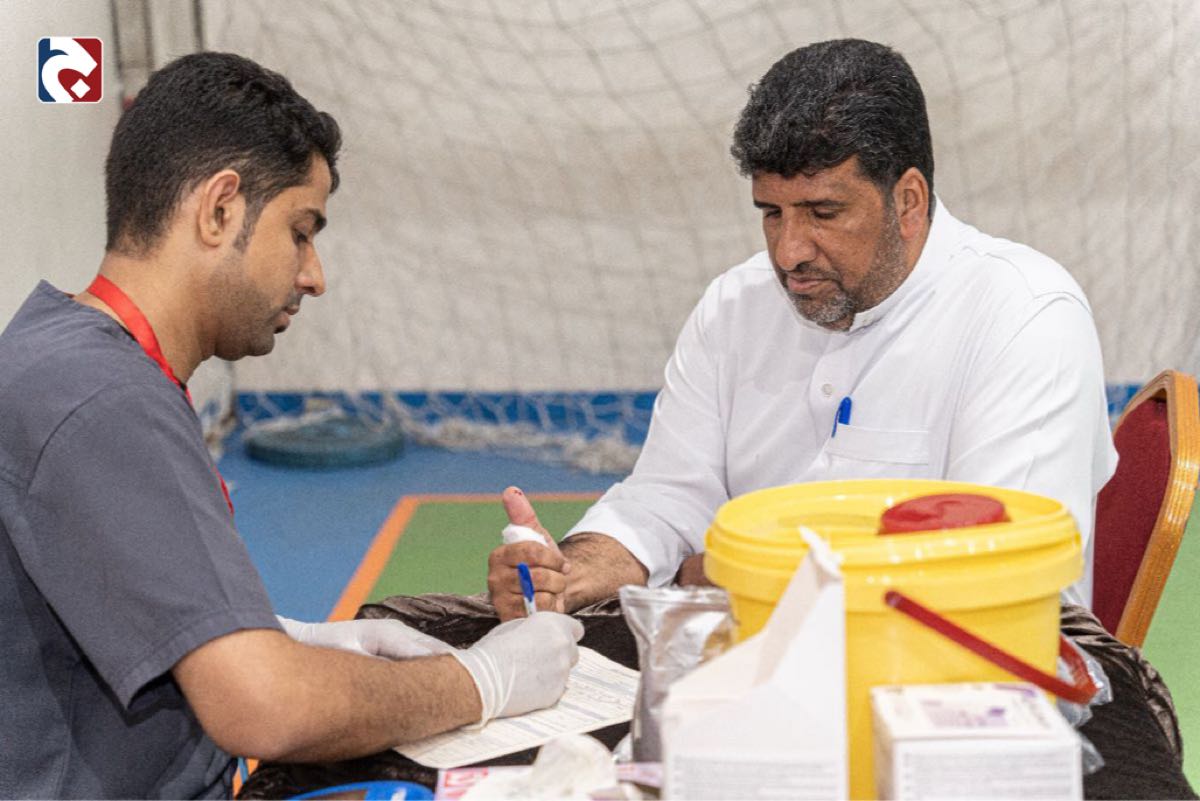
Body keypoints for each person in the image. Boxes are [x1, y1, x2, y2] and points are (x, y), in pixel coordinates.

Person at [0, 52, 582, 800]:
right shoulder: (106, 398)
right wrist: (483, 680)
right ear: (220, 210)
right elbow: (264, 708)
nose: (314, 274)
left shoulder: (56, 350)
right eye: (301, 232)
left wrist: (288, 635)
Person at [488, 38, 1117, 620]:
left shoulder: (1025, 316)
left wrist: (726, 572)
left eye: (823, 212)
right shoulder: (735, 304)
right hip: (753, 656)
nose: (788, 251)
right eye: (771, 212)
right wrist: (569, 573)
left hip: (955, 679)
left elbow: (997, 578)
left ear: (908, 200)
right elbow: (666, 497)